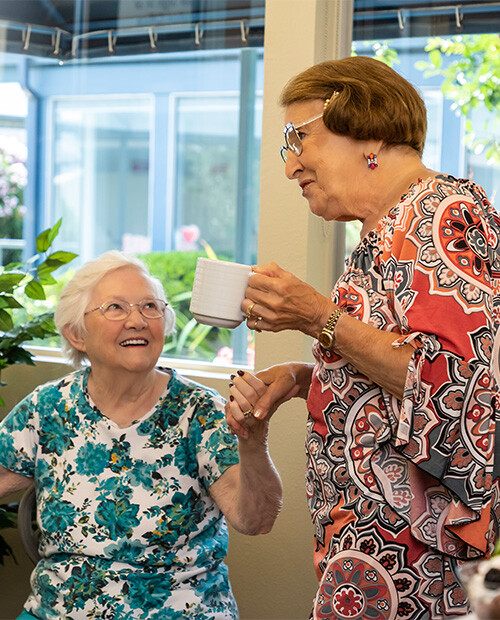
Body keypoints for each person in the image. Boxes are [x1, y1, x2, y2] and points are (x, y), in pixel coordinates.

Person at [226, 55, 500, 619]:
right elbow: (394, 372)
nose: (290, 165)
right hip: (370, 548)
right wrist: (309, 379)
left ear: (368, 131)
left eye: (298, 138)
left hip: (417, 559)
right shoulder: (387, 229)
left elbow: (466, 390)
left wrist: (317, 317)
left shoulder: (440, 214)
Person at [0, 250, 282, 620]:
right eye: (115, 308)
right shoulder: (48, 408)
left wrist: (252, 440)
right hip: (57, 611)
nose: (137, 320)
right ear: (76, 334)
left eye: (151, 307)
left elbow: (256, 519)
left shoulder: (200, 411)